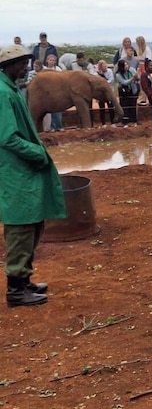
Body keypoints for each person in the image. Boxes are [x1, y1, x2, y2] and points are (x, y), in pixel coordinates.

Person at [0, 44, 66, 307]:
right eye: (21, 62)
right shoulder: (3, 94)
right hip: (15, 171)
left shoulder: (11, 89)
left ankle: (23, 279)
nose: (26, 66)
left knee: (31, 225)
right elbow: (7, 138)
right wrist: (37, 152)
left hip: (22, 171)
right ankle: (15, 289)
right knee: (20, 227)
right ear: (9, 65)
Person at [41, 54, 64, 132]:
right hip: (47, 93)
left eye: (53, 60)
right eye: (50, 60)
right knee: (50, 110)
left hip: (58, 92)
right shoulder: (44, 70)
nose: (52, 62)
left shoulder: (58, 70)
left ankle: (59, 126)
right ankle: (52, 127)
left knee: (58, 110)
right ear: (47, 61)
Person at [115, 59, 139, 127]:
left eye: (127, 64)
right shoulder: (118, 75)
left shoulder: (131, 70)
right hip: (124, 92)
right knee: (125, 106)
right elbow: (124, 82)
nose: (127, 66)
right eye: (125, 65)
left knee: (133, 105)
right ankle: (125, 122)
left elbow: (138, 78)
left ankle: (134, 121)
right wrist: (132, 79)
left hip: (132, 90)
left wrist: (136, 77)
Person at [94, 60, 116, 127]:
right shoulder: (96, 74)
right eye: (104, 66)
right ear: (100, 67)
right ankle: (103, 123)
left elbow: (111, 80)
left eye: (106, 66)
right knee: (102, 108)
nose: (105, 67)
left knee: (111, 107)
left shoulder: (109, 71)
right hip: (101, 93)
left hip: (109, 92)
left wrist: (104, 84)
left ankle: (113, 122)